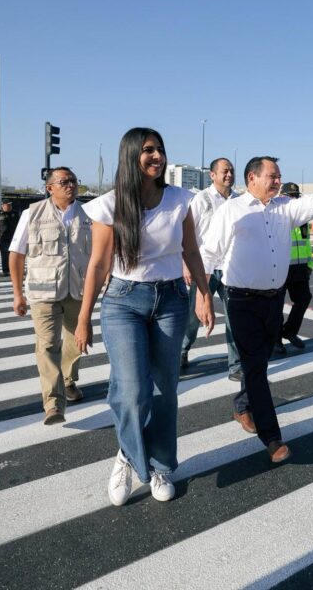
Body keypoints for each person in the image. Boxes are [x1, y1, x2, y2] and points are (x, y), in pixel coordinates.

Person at [75, 127, 214, 506]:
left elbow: (191, 252)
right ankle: (128, 453)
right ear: (131, 155)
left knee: (165, 389)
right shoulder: (111, 204)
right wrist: (84, 316)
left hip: (170, 299)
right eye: (148, 150)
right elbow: (99, 262)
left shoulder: (181, 200)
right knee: (133, 389)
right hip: (123, 301)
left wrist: (204, 295)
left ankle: (160, 466)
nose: (157, 156)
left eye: (160, 150)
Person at [201, 156, 313, 464]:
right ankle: (272, 437)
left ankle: (242, 405)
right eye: (272, 176)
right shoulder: (232, 211)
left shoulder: (284, 208)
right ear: (252, 179)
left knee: (259, 361)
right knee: (254, 366)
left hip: (273, 301)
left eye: (279, 176)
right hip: (241, 300)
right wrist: (202, 296)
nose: (278, 181)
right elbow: (209, 252)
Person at [8, 168, 92, 426]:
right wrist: (17, 294)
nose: (70, 186)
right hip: (43, 292)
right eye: (63, 182)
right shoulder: (31, 214)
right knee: (46, 346)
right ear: (49, 188)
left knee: (77, 341)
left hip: (78, 289)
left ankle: (68, 381)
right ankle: (53, 403)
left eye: (74, 181)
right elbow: (16, 254)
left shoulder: (88, 214)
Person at [180, 157, 241, 378]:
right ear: (212, 175)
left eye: (232, 170)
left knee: (235, 318)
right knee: (193, 317)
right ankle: (182, 352)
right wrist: (185, 265)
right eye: (225, 171)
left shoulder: (239, 201)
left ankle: (236, 366)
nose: (229, 175)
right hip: (203, 268)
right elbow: (185, 235)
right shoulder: (201, 199)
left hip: (231, 268)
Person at [273, 182, 313, 357]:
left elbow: (307, 243)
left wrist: (309, 264)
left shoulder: (303, 219)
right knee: (276, 306)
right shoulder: (276, 216)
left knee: (304, 298)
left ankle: (289, 331)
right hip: (281, 268)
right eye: (289, 195)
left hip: (300, 268)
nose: (293, 198)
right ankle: (276, 341)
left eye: (296, 196)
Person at [0, 201, 19, 276]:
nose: (9, 207)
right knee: (5, 254)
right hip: (2, 238)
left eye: (10, 205)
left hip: (14, 237)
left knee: (14, 254)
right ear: (3, 206)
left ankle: (13, 269)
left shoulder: (15, 213)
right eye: (7, 205)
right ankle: (6, 270)